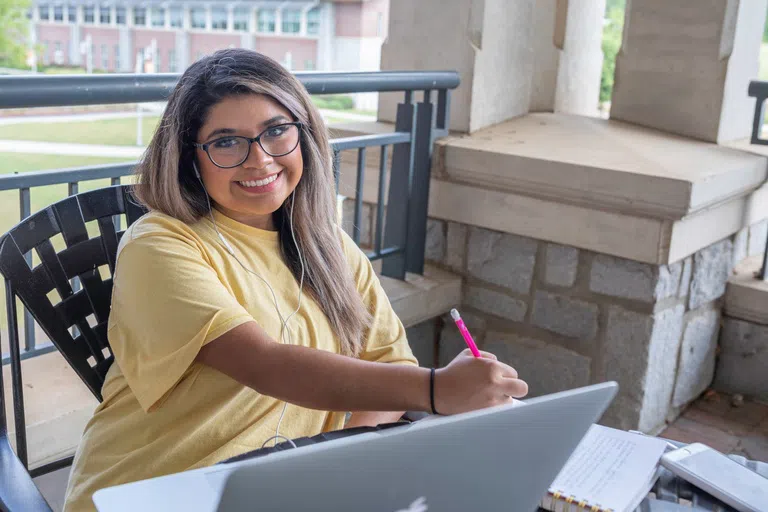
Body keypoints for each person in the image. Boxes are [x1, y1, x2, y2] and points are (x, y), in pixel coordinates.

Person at [62, 48, 528, 511]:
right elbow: (265, 365)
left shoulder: (329, 247)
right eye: (226, 142)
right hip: (157, 491)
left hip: (277, 492)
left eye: (276, 131)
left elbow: (389, 366)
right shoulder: (160, 244)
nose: (259, 160)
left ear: (304, 134)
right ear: (189, 158)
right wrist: (436, 389)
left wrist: (338, 462)